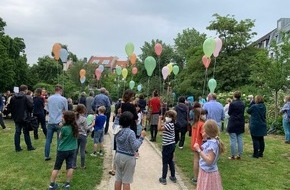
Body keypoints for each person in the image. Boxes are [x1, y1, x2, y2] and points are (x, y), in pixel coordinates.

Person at [114, 111, 146, 190]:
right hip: (128, 157)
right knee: (126, 180)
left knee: (118, 178)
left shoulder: (117, 130)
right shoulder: (131, 132)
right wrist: (141, 137)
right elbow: (135, 146)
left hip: (118, 155)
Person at [48, 111, 78, 190]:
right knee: (70, 166)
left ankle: (52, 185)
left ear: (66, 119)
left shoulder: (64, 128)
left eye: (63, 117)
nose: (61, 118)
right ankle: (67, 184)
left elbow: (60, 137)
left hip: (62, 150)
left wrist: (61, 127)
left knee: (56, 167)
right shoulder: (75, 127)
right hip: (72, 149)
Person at [193, 119, 225, 190]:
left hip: (208, 173)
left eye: (203, 130)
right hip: (206, 171)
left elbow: (209, 161)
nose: (202, 132)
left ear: (208, 132)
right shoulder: (213, 141)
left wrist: (198, 150)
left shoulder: (212, 145)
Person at [45, 85, 68, 161]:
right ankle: (59, 155)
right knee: (59, 139)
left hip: (51, 121)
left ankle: (46, 155)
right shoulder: (63, 99)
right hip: (59, 122)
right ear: (60, 90)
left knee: (48, 140)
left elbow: (47, 109)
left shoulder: (49, 98)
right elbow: (66, 111)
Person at [10, 85, 35, 152]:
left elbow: (11, 107)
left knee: (17, 132)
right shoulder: (26, 97)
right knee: (26, 132)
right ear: (25, 90)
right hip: (25, 117)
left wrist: (14, 115)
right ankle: (29, 146)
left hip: (16, 117)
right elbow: (31, 106)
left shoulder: (13, 97)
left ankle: (17, 147)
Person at [157, 110, 177, 185]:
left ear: (172, 118)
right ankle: (173, 176)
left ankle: (163, 178)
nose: (167, 117)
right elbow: (167, 131)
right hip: (171, 144)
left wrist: (159, 119)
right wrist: (164, 134)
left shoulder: (169, 125)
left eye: (169, 116)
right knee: (170, 160)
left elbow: (159, 128)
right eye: (167, 116)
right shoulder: (171, 124)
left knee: (165, 162)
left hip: (167, 145)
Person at [227, 91, 245, 160]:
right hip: (240, 122)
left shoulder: (232, 104)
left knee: (233, 139)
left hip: (233, 122)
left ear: (234, 96)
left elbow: (229, 113)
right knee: (240, 139)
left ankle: (233, 155)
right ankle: (239, 155)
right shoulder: (242, 103)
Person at [191, 108, 207, 185]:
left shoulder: (194, 123)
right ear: (199, 115)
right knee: (202, 161)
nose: (205, 115)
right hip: (200, 145)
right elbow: (204, 135)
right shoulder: (202, 124)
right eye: (203, 114)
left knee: (195, 160)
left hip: (194, 144)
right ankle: (201, 178)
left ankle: (195, 178)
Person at [73, 104, 91, 169]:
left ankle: (74, 165)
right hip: (83, 135)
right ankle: (82, 165)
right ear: (83, 110)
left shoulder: (74, 117)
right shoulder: (84, 119)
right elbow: (86, 128)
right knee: (82, 151)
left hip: (75, 135)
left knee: (75, 150)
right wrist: (92, 125)